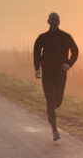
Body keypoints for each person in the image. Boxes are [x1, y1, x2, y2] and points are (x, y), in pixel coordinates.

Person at [33, 12, 79, 141]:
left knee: (58, 101)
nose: (54, 21)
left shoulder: (66, 36)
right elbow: (36, 53)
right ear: (48, 21)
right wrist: (37, 68)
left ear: (59, 21)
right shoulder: (42, 37)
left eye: (56, 19)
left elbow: (75, 51)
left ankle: (50, 111)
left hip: (60, 73)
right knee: (50, 101)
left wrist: (69, 64)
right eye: (52, 19)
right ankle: (54, 130)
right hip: (47, 73)